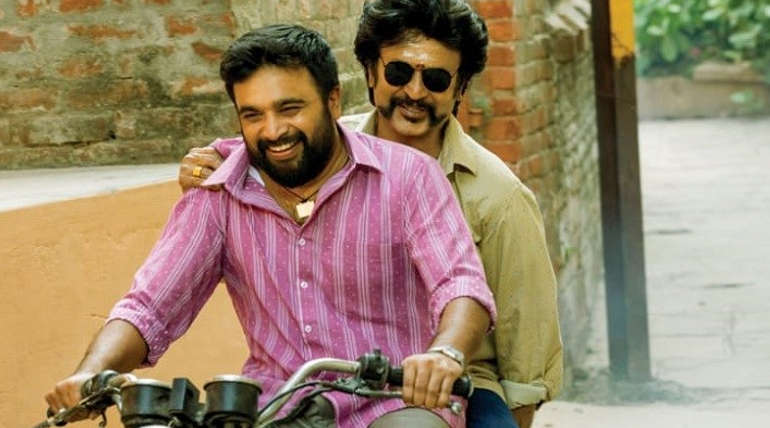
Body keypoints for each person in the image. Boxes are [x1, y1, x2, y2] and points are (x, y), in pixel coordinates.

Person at [44, 24, 497, 428]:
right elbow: (149, 307)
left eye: (290, 108)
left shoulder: (410, 175)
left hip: (394, 401)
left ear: (333, 101)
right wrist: (90, 373)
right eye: (253, 114)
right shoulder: (217, 191)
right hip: (275, 410)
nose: (273, 130)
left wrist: (444, 354)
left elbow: (461, 285)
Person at [180, 1, 563, 427]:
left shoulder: (500, 196)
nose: (415, 92)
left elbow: (526, 349)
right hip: (335, 379)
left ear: (460, 89)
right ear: (370, 73)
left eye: (436, 80)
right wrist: (208, 169)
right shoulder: (325, 148)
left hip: (458, 381)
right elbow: (266, 146)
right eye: (398, 73)